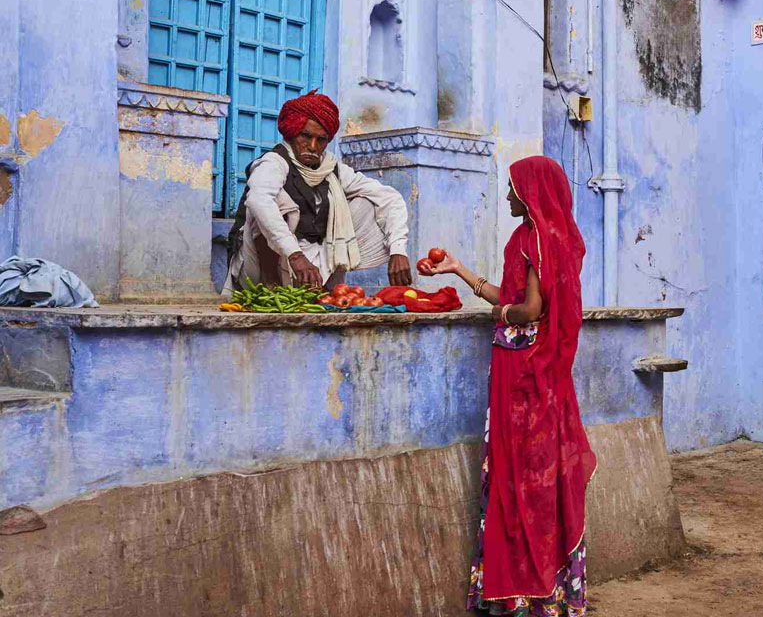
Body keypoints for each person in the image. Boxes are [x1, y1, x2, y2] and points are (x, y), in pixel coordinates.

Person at [426, 156, 596, 617]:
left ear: (531, 192)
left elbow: (529, 309)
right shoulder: (548, 238)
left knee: (519, 476)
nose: (507, 197)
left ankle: (524, 591)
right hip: (533, 372)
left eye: (512, 189)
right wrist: (460, 272)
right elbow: (510, 296)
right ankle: (544, 591)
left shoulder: (537, 238)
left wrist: (501, 316)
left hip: (523, 370)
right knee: (537, 474)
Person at [222, 90, 412, 295]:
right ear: (292, 133)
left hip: (310, 265)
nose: (312, 146)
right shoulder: (273, 162)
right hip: (261, 267)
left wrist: (398, 250)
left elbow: (390, 198)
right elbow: (259, 200)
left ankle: (318, 289)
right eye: (306, 136)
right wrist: (295, 256)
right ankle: (272, 287)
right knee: (270, 201)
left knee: (369, 202)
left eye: (321, 140)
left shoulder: (332, 169)